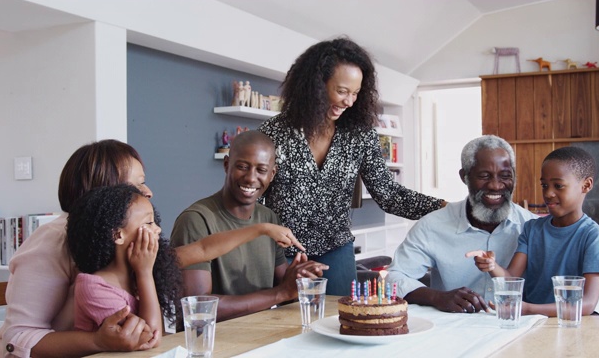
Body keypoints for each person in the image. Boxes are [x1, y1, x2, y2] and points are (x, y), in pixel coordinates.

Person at [0, 139, 303, 358]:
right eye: (137, 186)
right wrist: (96, 341)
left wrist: (261, 228)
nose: (149, 192)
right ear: (107, 197)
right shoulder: (52, 243)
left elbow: (201, 249)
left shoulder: (132, 246)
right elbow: (18, 339)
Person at [257, 37, 445, 295]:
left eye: (356, 93)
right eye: (342, 91)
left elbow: (388, 194)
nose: (349, 101)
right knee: (289, 326)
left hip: (337, 251)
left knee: (340, 321)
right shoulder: (274, 133)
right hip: (283, 255)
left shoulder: (360, 135)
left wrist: (443, 208)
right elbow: (253, 198)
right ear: (316, 85)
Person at [171, 130, 328, 322]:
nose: (251, 178)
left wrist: (297, 278)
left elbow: (285, 290)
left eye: (261, 170)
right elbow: (198, 308)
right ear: (227, 165)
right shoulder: (195, 220)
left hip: (261, 335)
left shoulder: (269, 218)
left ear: (272, 174)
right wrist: (280, 293)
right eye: (243, 167)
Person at [386, 135, 536, 313]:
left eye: (505, 176)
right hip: (453, 329)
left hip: (517, 326)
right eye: (484, 176)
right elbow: (394, 278)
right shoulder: (433, 225)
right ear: (464, 176)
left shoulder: (532, 226)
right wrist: (437, 297)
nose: (496, 186)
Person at [466, 146, 599, 317]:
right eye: (544, 185)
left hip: (569, 323)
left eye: (558, 186)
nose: (548, 193)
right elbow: (510, 279)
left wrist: (529, 309)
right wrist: (492, 266)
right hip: (532, 323)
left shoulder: (594, 236)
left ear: (586, 185)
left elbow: (588, 304)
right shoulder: (532, 229)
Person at [67, 184, 180, 347]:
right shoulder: (93, 287)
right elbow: (149, 338)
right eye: (149, 222)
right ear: (118, 235)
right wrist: (145, 273)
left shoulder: (134, 277)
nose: (157, 229)